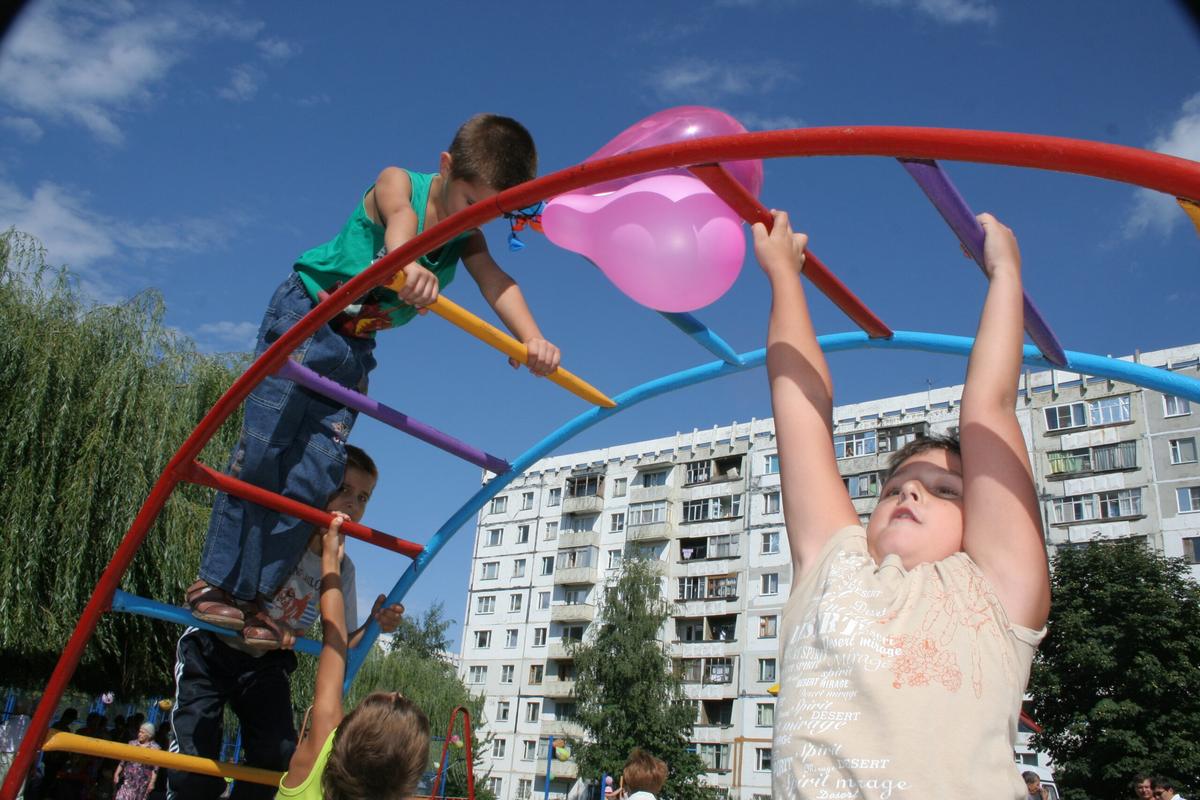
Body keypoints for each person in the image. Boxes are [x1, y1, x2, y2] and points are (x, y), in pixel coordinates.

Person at [186, 113, 560, 648]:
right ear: (446, 168)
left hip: (356, 344)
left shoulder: (468, 237)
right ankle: (215, 581)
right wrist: (406, 262)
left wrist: (533, 339)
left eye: (489, 212)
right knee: (265, 450)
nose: (472, 218)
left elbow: (498, 283)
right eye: (468, 201)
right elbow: (400, 222)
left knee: (317, 476)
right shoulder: (398, 182)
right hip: (307, 318)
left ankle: (256, 599)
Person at [758, 210, 1051, 799]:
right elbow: (800, 411)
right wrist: (785, 278)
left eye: (945, 491)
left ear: (981, 522)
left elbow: (988, 409)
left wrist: (1004, 274)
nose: (910, 491)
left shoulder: (994, 592)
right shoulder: (833, 566)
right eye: (894, 488)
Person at [169, 446, 404, 799]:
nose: (352, 504)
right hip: (213, 647)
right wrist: (262, 619)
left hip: (266, 664)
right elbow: (224, 596)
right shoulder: (279, 532)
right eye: (342, 490)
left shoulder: (342, 568)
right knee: (194, 757)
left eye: (363, 497)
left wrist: (373, 624)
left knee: (277, 756)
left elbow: (338, 643)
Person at [276, 513, 430, 799]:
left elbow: (334, 637)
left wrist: (331, 559)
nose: (398, 692)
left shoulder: (317, 755)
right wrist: (373, 624)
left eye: (396, 701)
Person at [114, 723, 160, 800]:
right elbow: (123, 761)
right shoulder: (132, 744)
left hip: (142, 784)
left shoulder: (155, 748)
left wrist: (152, 783)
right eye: (139, 732)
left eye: (142, 732)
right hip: (128, 780)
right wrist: (116, 773)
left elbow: (155, 769)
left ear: (149, 735)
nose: (139, 734)